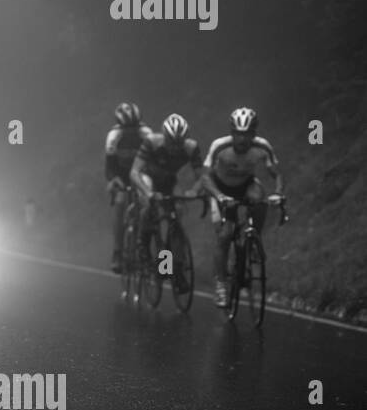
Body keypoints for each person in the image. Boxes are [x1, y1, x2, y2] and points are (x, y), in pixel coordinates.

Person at [201, 107, 286, 307]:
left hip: (246, 184)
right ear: (232, 132)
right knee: (224, 236)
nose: (242, 139)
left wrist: (280, 192)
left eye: (247, 134)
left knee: (260, 198)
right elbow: (205, 177)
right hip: (221, 189)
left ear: (254, 133)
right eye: (238, 133)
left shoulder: (262, 147)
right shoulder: (220, 146)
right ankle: (221, 285)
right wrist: (219, 196)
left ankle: (254, 237)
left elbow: (277, 173)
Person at [129, 113, 205, 279]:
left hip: (169, 180)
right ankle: (143, 244)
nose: (175, 147)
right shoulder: (152, 142)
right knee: (148, 204)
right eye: (171, 142)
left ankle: (171, 266)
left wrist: (194, 190)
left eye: (179, 143)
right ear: (164, 137)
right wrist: (147, 192)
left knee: (176, 215)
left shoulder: (191, 148)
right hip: (147, 176)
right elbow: (134, 172)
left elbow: (202, 177)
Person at [104, 102, 152, 273]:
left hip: (140, 173)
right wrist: (114, 179)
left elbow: (153, 162)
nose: (131, 131)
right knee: (120, 201)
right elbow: (109, 167)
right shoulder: (114, 136)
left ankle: (145, 246)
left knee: (149, 201)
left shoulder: (146, 134)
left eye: (134, 127)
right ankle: (117, 252)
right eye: (127, 128)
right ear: (120, 126)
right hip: (122, 175)